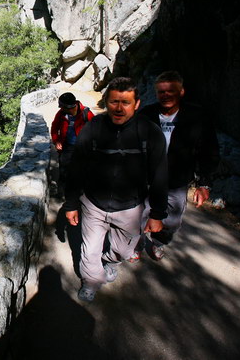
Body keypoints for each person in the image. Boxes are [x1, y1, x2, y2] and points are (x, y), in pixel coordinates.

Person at [63, 77, 168, 302]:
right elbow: (76, 168)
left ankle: (111, 262)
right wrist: (71, 204)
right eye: (113, 102)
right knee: (90, 249)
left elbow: (160, 174)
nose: (119, 108)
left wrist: (158, 214)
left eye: (126, 102)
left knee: (123, 250)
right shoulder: (93, 128)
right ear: (106, 102)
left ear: (137, 104)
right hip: (93, 204)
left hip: (130, 208)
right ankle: (91, 281)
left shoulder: (150, 133)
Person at [138, 71, 219, 260]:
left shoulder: (196, 117)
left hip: (177, 180)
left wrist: (204, 184)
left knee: (172, 221)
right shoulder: (146, 116)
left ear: (181, 92)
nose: (166, 95)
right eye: (161, 92)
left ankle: (158, 241)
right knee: (140, 215)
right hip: (147, 178)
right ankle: (137, 242)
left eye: (171, 91)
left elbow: (208, 150)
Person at [50, 92, 94, 185]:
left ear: (68, 107)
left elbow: (96, 130)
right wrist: (56, 141)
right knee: (64, 169)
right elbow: (54, 128)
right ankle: (62, 189)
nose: (61, 108)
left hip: (82, 147)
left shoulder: (86, 114)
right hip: (67, 146)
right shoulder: (61, 114)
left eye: (62, 106)